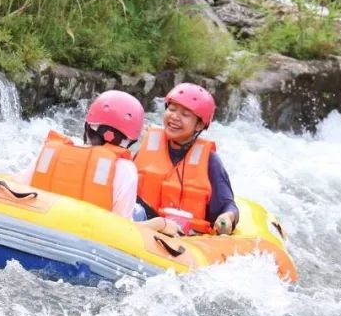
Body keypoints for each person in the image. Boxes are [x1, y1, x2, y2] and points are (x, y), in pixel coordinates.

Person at [14, 90, 144, 218]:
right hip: (89, 234)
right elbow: (123, 225)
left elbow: (19, 188)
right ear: (131, 142)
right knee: (140, 212)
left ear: (87, 126)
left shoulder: (50, 152)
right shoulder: (126, 170)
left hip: (39, 225)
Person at [133, 83, 239, 237]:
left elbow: (227, 205)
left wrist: (227, 217)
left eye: (185, 114)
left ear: (200, 124)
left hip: (185, 239)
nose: (174, 117)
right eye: (172, 109)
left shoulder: (210, 160)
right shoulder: (146, 144)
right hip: (143, 227)